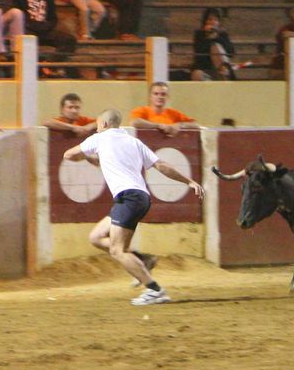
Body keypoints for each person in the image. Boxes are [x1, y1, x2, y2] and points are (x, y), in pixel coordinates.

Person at [62, 108, 203, 306]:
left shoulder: (99, 139)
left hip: (128, 198)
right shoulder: (134, 142)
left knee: (117, 250)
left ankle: (155, 290)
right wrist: (188, 181)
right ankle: (142, 260)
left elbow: (69, 155)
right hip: (139, 197)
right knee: (96, 237)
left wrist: (85, 153)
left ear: (103, 124)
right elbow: (161, 165)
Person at [5, 0, 77, 73]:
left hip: (44, 29)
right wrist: (29, 25)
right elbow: (14, 12)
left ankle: (49, 65)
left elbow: (52, 17)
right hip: (27, 30)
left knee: (69, 40)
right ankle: (40, 70)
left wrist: (47, 26)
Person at [130, 82, 200, 137]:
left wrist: (179, 125)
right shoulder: (142, 110)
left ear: (168, 97)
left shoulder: (174, 113)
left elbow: (196, 125)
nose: (160, 97)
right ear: (150, 96)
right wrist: (159, 126)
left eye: (163, 94)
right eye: (156, 94)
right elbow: (135, 122)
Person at [191, 7, 236, 81]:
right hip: (205, 68)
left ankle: (222, 79)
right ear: (205, 22)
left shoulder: (222, 35)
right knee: (197, 74)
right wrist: (208, 38)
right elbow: (199, 54)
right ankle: (212, 84)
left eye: (215, 20)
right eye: (210, 19)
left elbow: (231, 52)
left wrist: (216, 38)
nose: (213, 22)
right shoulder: (199, 35)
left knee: (216, 46)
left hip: (221, 69)